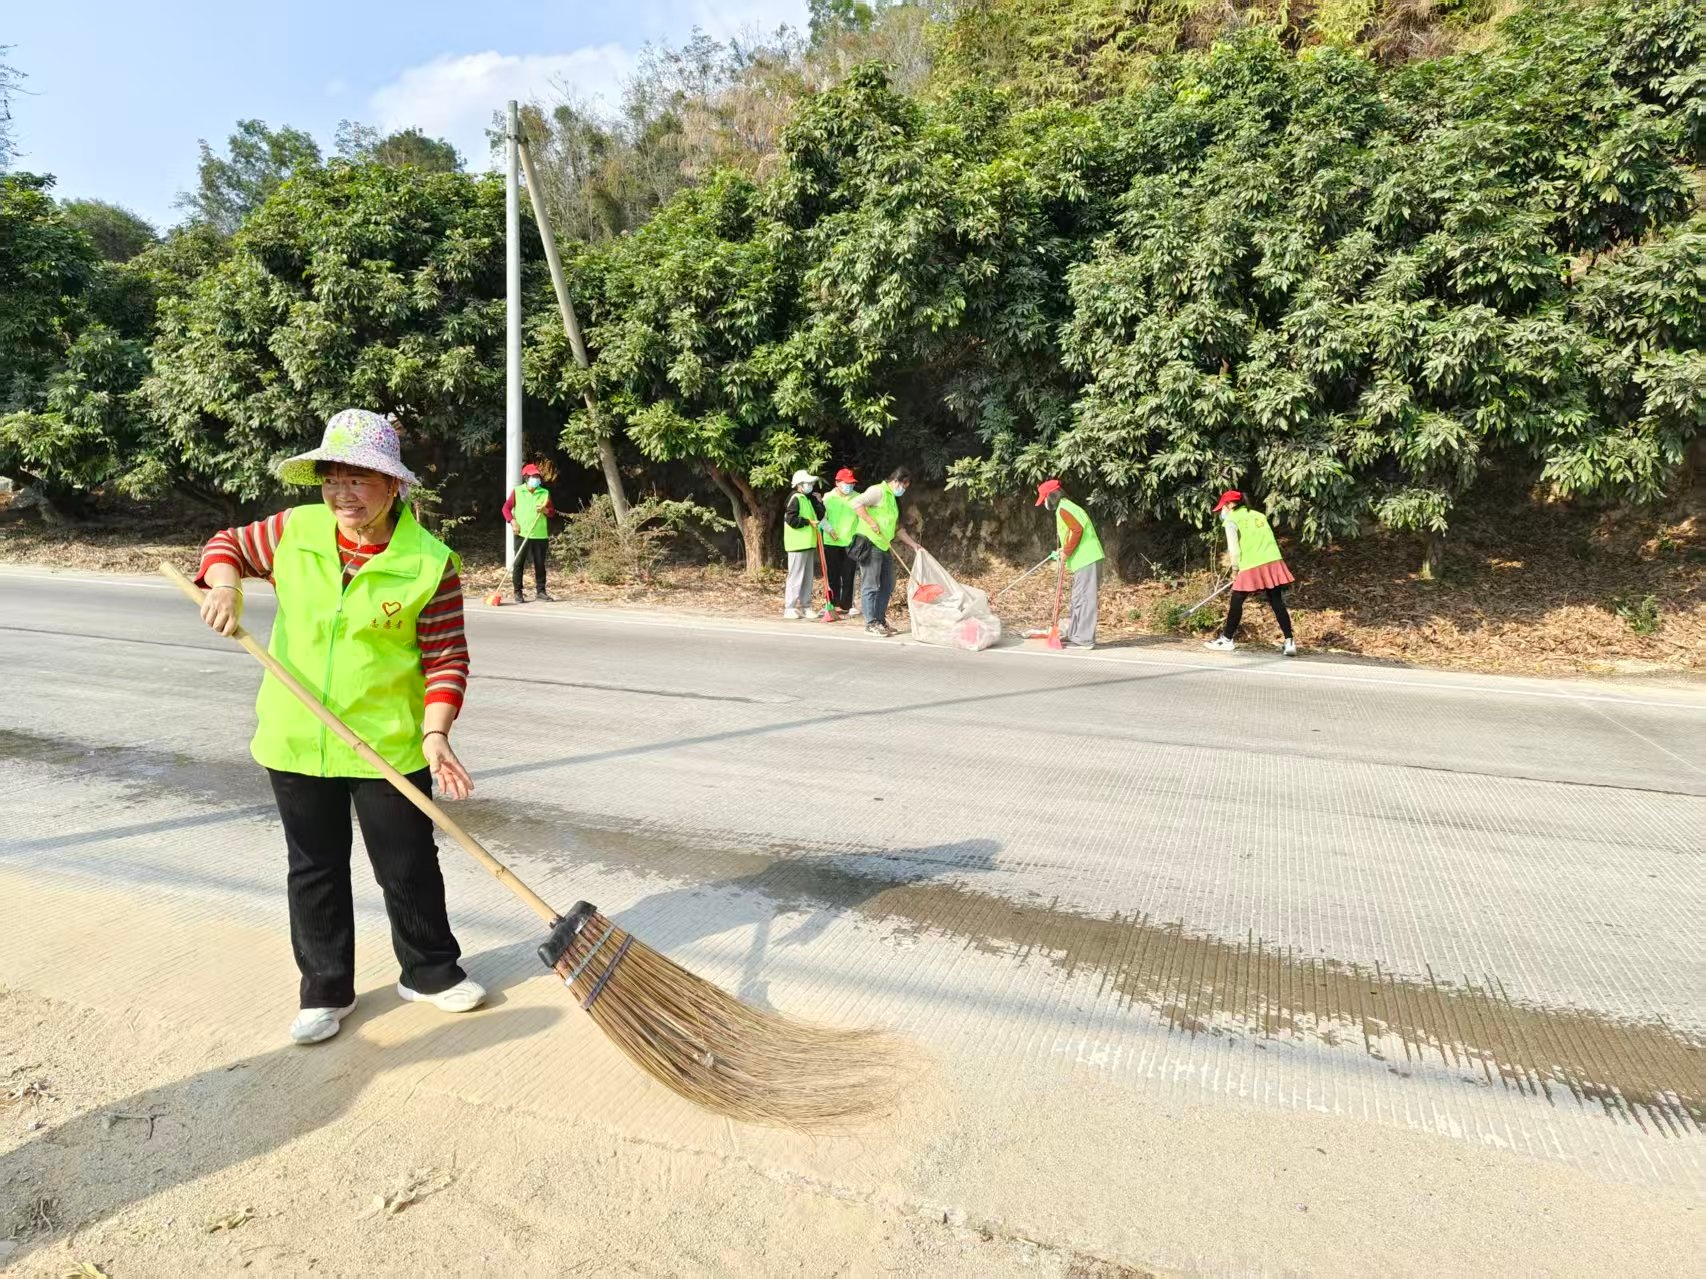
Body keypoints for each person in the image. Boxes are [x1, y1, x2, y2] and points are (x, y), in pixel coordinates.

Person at [195, 408, 486, 1046]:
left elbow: (445, 656)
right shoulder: (294, 530)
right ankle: (326, 989)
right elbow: (227, 546)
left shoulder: (428, 562)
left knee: (408, 863)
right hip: (296, 737)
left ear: (394, 487)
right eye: (332, 478)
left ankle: (430, 972)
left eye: (360, 480)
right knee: (315, 867)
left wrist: (436, 734)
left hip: (389, 738)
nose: (342, 494)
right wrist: (227, 588)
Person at [1203, 489, 1298, 656]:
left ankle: (1226, 639)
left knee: (1237, 600)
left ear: (1231, 504)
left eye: (1224, 507)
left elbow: (1234, 549)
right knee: (1276, 600)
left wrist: (1234, 569)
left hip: (1252, 563)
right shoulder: (1258, 515)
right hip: (1272, 560)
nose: (1222, 511)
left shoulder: (1232, 520)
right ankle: (1289, 641)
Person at [1028, 478, 1105, 649]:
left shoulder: (1063, 509)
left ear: (1051, 496)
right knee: (1077, 598)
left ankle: (1084, 640)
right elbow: (1073, 532)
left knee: (1084, 599)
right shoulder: (1068, 506)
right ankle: (1076, 635)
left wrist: (1067, 551)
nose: (1045, 503)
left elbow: (1078, 530)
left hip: (1087, 558)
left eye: (1045, 499)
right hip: (1083, 559)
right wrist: (1063, 550)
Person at [850, 467, 922, 637]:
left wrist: (914, 545)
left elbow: (897, 528)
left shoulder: (893, 500)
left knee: (889, 583)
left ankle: (880, 620)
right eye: (903, 485)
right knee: (871, 584)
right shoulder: (878, 491)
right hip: (870, 543)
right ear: (896, 481)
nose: (903, 489)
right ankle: (871, 623)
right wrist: (870, 521)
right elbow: (855, 503)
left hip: (884, 545)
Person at [501, 462, 556, 603]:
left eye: (537, 476)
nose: (536, 478)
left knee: (539, 563)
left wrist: (544, 510)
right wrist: (513, 522)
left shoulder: (544, 493)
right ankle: (518, 592)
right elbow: (505, 509)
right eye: (533, 476)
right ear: (526, 478)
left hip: (539, 534)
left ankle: (541, 591)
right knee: (519, 562)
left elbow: (551, 512)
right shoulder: (518, 491)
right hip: (522, 533)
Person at [781, 470, 826, 619]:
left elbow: (820, 515)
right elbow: (791, 519)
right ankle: (790, 607)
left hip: (809, 543)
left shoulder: (808, 498)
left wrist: (819, 502)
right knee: (795, 576)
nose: (811, 485)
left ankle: (806, 606)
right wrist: (807, 522)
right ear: (799, 484)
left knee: (807, 577)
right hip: (797, 544)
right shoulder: (794, 498)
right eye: (809, 483)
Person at [820, 467, 861, 618]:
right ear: (837, 482)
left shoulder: (858, 497)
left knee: (849, 574)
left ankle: (847, 605)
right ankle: (832, 604)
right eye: (846, 483)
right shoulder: (827, 498)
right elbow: (820, 516)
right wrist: (829, 529)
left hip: (851, 542)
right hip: (831, 541)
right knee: (833, 575)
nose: (849, 486)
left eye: (852, 483)